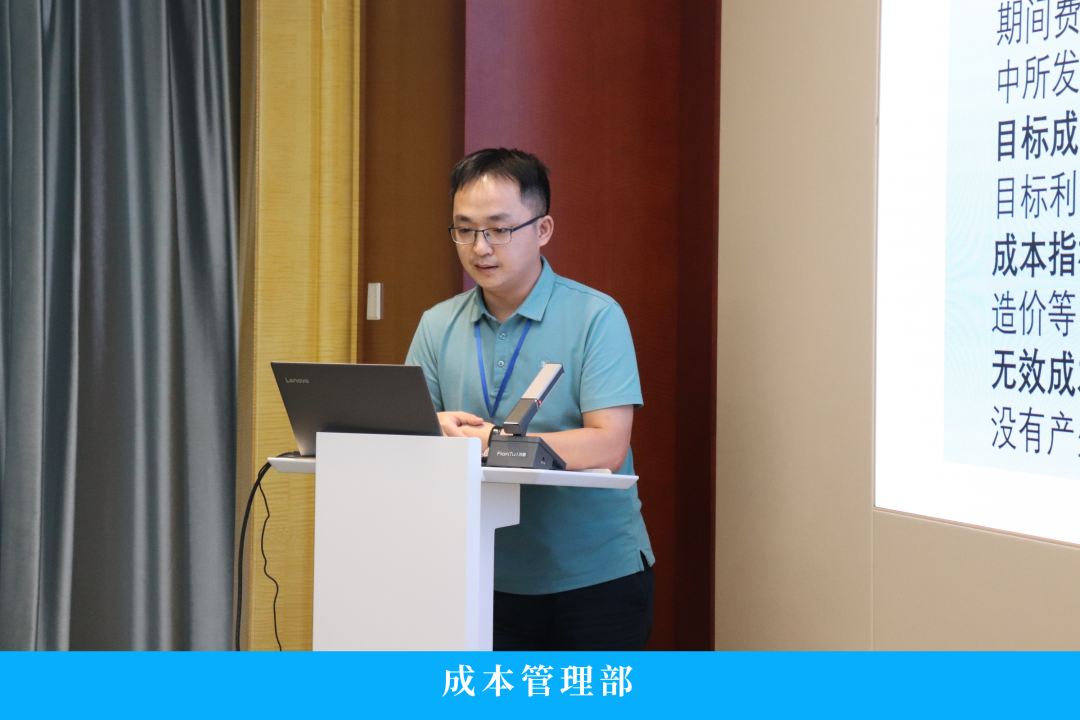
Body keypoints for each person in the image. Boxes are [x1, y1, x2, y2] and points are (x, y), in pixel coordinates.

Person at [405, 148, 654, 651]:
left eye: (499, 229)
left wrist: (489, 442)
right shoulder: (437, 323)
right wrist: (437, 428)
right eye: (465, 229)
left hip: (594, 575)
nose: (480, 247)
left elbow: (608, 445)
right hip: (481, 570)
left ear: (542, 230)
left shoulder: (596, 316)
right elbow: (410, 433)